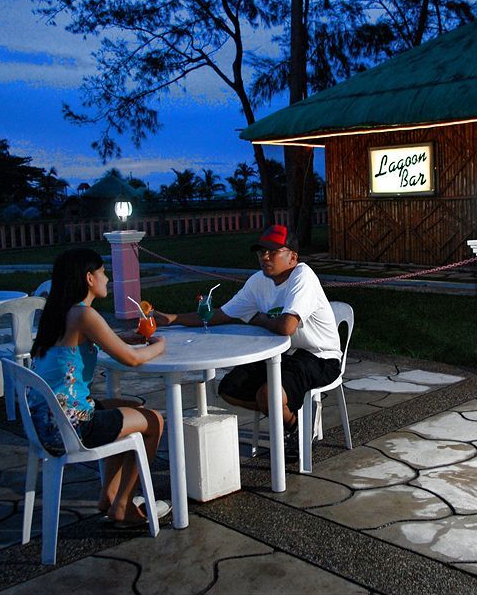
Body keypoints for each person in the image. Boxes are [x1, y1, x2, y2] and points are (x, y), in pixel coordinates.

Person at [154, 225, 342, 446]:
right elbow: (221, 315)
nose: (265, 256)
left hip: (319, 357)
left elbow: (286, 327)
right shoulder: (258, 282)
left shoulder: (302, 276)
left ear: (293, 257)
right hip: (283, 355)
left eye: (273, 251)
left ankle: (294, 427)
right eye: (261, 251)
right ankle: (289, 413)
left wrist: (258, 318)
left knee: (268, 394)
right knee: (228, 389)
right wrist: (171, 318)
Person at [30, 248, 167, 527]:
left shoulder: (59, 312)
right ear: (89, 278)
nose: (108, 278)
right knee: (154, 421)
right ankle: (124, 506)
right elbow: (131, 359)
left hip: (46, 421)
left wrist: (126, 337)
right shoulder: (83, 315)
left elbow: (92, 342)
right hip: (70, 427)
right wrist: (159, 344)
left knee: (132, 408)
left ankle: (110, 495)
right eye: (104, 272)